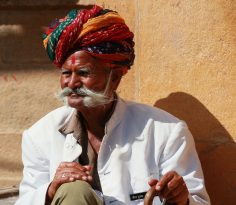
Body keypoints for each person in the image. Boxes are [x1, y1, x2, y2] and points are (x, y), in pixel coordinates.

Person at [15, 5, 210, 205]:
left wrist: (182, 199)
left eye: (83, 73)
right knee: (73, 190)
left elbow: (199, 201)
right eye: (66, 73)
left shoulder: (166, 131)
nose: (71, 83)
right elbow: (26, 199)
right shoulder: (39, 135)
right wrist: (51, 190)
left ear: (114, 78)